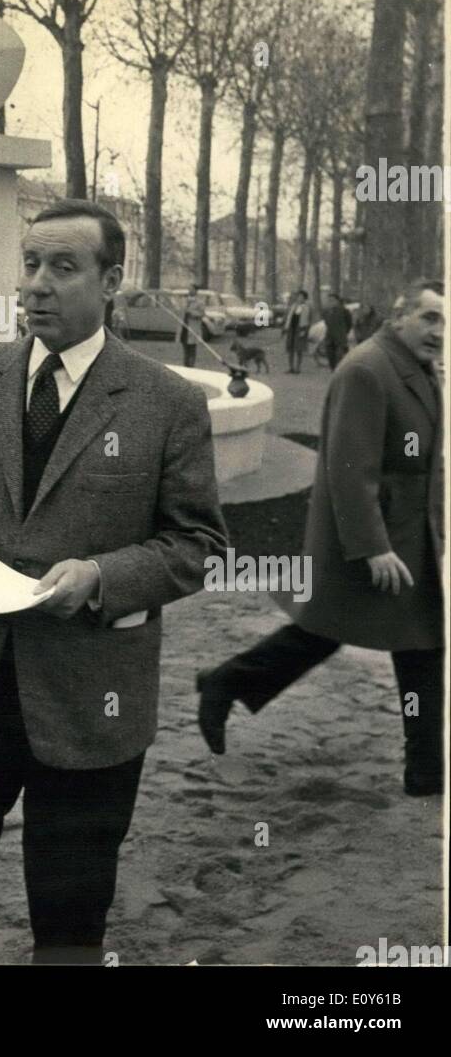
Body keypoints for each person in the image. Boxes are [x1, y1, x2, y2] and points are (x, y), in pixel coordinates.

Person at [0, 199, 228, 964]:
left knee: (71, 913)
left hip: (92, 702)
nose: (38, 285)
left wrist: (103, 576)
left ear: (112, 280)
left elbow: (197, 543)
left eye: (63, 267)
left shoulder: (166, 401)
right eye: (29, 265)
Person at [196, 280, 445, 797]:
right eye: (429, 318)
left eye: (445, 322)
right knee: (351, 634)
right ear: (398, 315)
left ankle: (426, 769)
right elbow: (349, 468)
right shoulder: (366, 369)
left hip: (406, 530)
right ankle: (228, 681)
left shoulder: (415, 367)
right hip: (373, 533)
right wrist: (373, 545)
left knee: (394, 639)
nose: (439, 332)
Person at [283, 288, 312, 373]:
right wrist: (286, 327)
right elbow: (289, 317)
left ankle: (298, 368)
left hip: (301, 329)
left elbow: (309, 320)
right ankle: (291, 367)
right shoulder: (293, 306)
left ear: (305, 298)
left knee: (299, 349)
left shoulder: (307, 308)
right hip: (292, 329)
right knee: (290, 349)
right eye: (298, 297)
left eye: (301, 297)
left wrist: (305, 330)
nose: (299, 298)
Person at [177, 285, 206, 367]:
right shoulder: (185, 301)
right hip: (184, 328)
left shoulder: (200, 302)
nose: (189, 291)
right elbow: (181, 312)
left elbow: (202, 314)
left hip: (193, 328)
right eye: (189, 289)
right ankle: (185, 364)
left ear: (196, 291)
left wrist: (192, 313)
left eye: (192, 289)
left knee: (192, 348)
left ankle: (191, 365)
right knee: (185, 347)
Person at [322, 292, 351, 370]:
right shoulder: (326, 311)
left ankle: (338, 372)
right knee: (330, 356)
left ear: (337, 301)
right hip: (329, 338)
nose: (330, 302)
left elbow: (349, 323)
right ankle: (333, 370)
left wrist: (343, 332)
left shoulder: (344, 311)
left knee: (339, 357)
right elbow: (326, 322)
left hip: (340, 338)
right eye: (329, 300)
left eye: (332, 300)